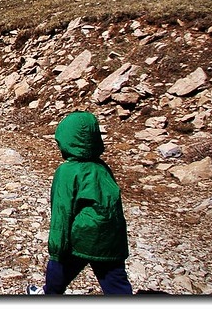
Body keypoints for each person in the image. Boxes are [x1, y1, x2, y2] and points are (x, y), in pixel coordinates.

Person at [27, 111, 133, 295]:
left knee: (61, 267)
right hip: (110, 237)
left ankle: (48, 294)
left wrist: (56, 246)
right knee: (114, 279)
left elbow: (62, 210)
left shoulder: (67, 172)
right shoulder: (101, 167)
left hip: (82, 235)